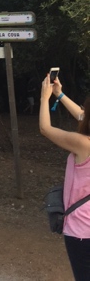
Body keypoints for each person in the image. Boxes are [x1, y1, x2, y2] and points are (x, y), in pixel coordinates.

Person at [40, 74, 90, 280]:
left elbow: (45, 129)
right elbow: (82, 116)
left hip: (81, 230)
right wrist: (59, 94)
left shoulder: (84, 144)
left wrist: (44, 98)